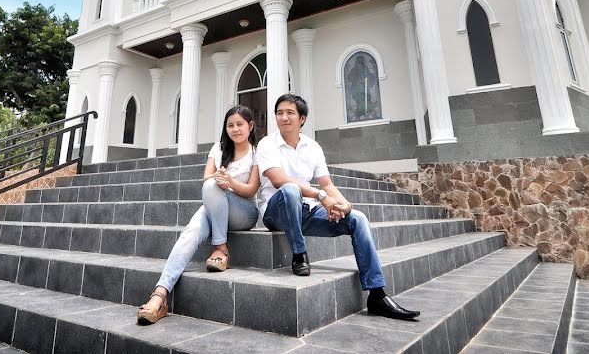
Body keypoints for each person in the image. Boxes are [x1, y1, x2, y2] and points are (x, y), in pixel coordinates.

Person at [257, 93, 420, 321]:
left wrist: (344, 204)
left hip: (306, 212)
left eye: (290, 113)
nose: (283, 117)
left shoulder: (312, 147)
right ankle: (299, 254)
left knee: (358, 219)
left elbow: (327, 183)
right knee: (290, 190)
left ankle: (377, 294)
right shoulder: (267, 144)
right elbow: (278, 180)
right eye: (279, 113)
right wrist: (322, 196)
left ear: (302, 118)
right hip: (276, 213)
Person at [137, 105, 261, 325]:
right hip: (215, 203)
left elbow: (251, 190)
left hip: (244, 212)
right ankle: (159, 296)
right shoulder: (219, 149)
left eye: (240, 124)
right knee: (191, 231)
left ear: (250, 126)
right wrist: (219, 177)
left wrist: (230, 182)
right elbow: (206, 179)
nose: (235, 129)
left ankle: (220, 248)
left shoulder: (257, 152)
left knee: (215, 187)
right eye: (230, 125)